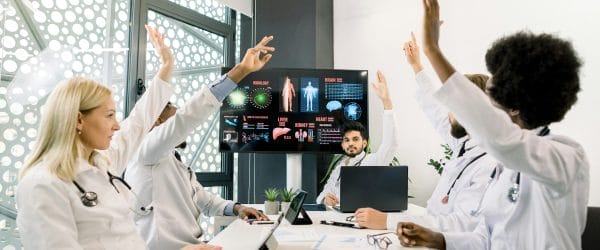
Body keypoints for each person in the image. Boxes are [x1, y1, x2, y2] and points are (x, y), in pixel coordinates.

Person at [397, 0, 589, 249]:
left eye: (488, 97)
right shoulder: (506, 167)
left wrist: (433, 50)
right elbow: (486, 237)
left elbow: (501, 136)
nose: (481, 107)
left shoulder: (566, 157)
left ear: (515, 106)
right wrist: (440, 239)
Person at [15, 25, 180, 249]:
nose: (117, 125)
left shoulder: (103, 162)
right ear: (78, 120)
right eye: (109, 116)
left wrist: (167, 65)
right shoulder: (42, 184)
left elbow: (139, 120)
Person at [124, 35, 275, 250]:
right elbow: (187, 117)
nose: (179, 124)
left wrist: (238, 208)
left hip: (195, 245)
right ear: (157, 119)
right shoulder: (146, 150)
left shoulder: (169, 159)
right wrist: (240, 71)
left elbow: (203, 199)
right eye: (171, 115)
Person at [355, 33, 497, 233]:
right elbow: (435, 110)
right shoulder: (465, 145)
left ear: (470, 109)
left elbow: (462, 224)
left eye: (453, 104)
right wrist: (416, 66)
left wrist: (388, 221)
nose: (447, 111)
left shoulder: (488, 164)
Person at [316, 70, 398, 206]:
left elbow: (391, 143)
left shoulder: (374, 162)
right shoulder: (340, 166)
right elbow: (323, 195)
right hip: (336, 218)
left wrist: (387, 103)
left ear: (364, 143)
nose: (350, 144)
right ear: (342, 145)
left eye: (355, 139)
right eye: (346, 140)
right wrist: (325, 199)